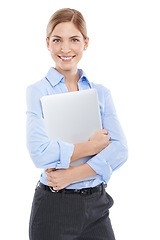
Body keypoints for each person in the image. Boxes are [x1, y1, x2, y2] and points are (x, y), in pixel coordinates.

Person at [26, 8, 128, 240]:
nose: (65, 48)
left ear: (85, 43)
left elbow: (120, 150)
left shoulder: (100, 93)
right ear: (48, 43)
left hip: (97, 206)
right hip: (54, 207)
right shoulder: (37, 91)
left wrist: (73, 174)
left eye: (74, 39)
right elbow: (40, 154)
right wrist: (93, 146)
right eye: (57, 40)